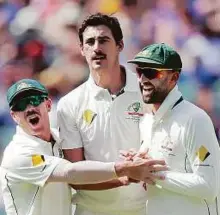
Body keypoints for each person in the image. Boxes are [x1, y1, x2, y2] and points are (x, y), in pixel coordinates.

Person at [0, 78, 168, 215]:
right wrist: (124, 168)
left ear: (48, 105)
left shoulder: (60, 139)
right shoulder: (18, 153)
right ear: (14, 116)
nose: (29, 108)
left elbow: (82, 178)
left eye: (34, 100)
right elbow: (70, 172)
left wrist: (124, 177)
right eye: (21, 106)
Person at [57, 13, 167, 215]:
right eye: (90, 42)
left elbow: (171, 148)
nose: (97, 47)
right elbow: (75, 177)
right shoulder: (69, 104)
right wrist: (125, 176)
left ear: (120, 45)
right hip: (91, 210)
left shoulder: (151, 93)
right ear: (82, 50)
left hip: (146, 208)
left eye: (104, 40)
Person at [126, 42, 220, 215]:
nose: (143, 79)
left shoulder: (195, 120)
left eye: (151, 72)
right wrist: (135, 166)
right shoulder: (146, 120)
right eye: (140, 71)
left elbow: (209, 186)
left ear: (174, 78)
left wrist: (150, 173)